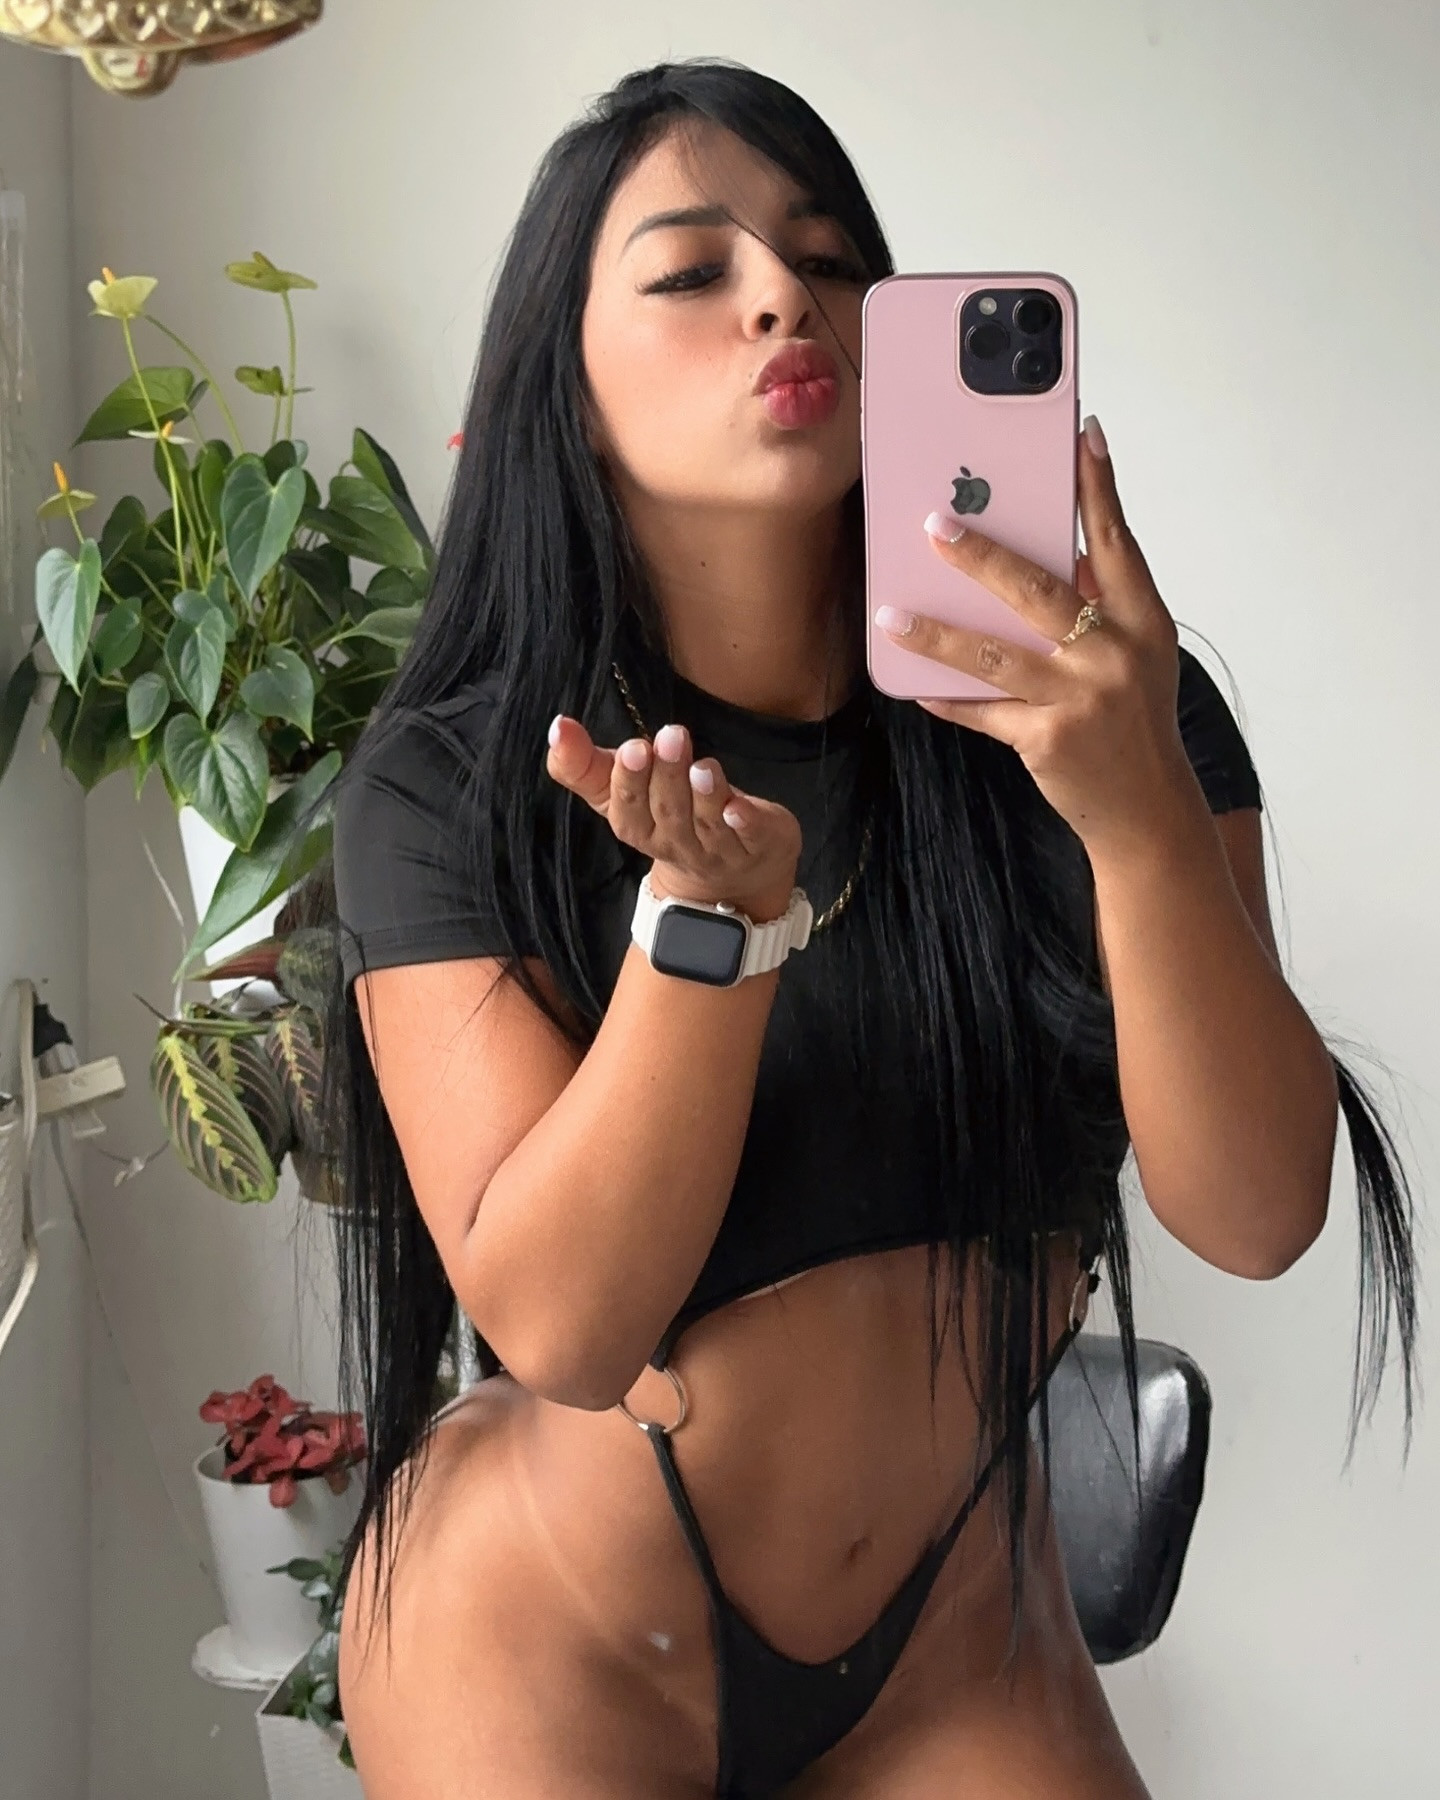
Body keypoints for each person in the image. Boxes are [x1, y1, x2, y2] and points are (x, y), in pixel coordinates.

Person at [316, 57, 1416, 1799]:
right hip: (543, 1646)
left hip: (957, 1649)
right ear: (565, 394)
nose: (782, 295)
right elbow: (564, 1329)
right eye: (693, 271)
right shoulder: (465, 777)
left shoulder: (1113, 716)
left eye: (830, 260)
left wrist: (1136, 806)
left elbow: (1261, 1209)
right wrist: (707, 934)